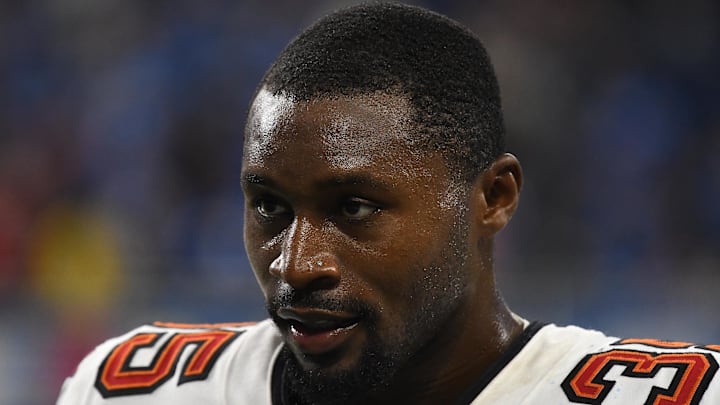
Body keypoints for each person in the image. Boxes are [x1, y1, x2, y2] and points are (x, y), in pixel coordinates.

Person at [57, 3, 720, 404]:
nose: (297, 263)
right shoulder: (131, 387)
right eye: (269, 207)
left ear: (493, 196)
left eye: (353, 207)